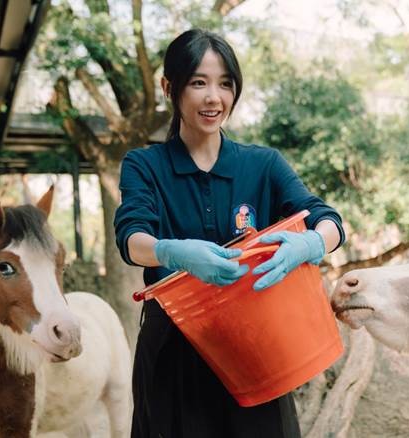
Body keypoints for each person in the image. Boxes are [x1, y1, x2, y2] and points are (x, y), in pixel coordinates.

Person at [114, 28, 345, 438]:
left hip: (259, 355)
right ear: (170, 87)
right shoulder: (144, 165)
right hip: (174, 356)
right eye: (198, 82)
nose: (213, 98)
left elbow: (327, 219)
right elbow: (132, 239)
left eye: (225, 84)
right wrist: (172, 252)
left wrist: (312, 243)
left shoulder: (264, 165)